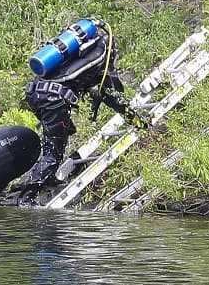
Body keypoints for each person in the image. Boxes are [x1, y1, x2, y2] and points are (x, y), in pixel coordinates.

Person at [17, 19, 147, 206]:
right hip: (53, 98)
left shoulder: (82, 52)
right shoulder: (103, 56)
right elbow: (113, 96)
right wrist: (137, 121)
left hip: (37, 93)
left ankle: (47, 177)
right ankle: (26, 198)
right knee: (53, 153)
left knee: (64, 132)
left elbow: (82, 83)